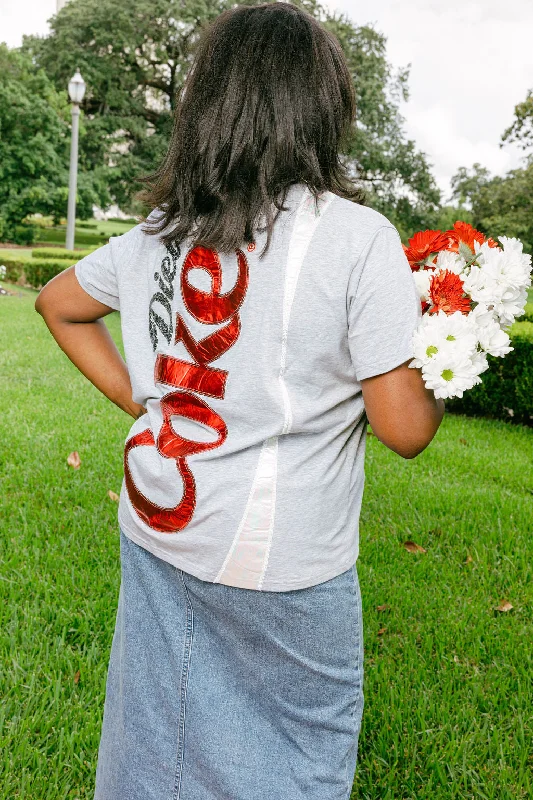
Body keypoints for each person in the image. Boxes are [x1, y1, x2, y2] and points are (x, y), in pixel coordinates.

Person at [35, 3, 444, 799]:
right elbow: (402, 428)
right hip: (283, 560)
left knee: (155, 733)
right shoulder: (357, 237)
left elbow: (58, 303)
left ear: (207, 102)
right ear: (322, 105)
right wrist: (444, 372)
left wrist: (148, 402)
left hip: (159, 519)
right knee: (297, 754)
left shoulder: (160, 230)